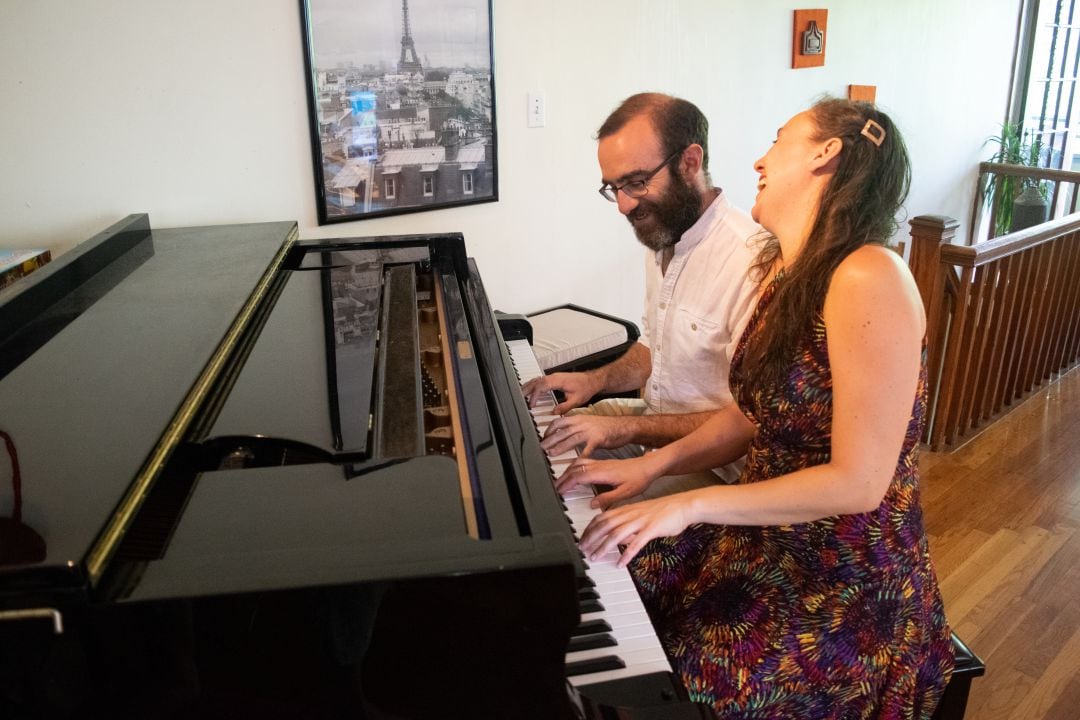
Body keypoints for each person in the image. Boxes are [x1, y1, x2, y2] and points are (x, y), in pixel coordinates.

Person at [559, 98, 955, 716]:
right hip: (765, 539)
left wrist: (686, 504)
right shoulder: (785, 271)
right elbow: (751, 416)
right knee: (611, 574)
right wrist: (650, 470)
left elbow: (860, 482)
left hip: (840, 577)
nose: (758, 159)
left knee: (697, 683)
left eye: (778, 141)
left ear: (826, 154)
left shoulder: (870, 275)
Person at [523, 93, 760, 491]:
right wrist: (595, 381)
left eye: (636, 182)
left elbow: (751, 422)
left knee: (588, 520)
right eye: (613, 187)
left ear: (690, 163)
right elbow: (656, 350)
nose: (622, 205)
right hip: (655, 427)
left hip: (714, 470)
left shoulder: (750, 262)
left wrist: (627, 429)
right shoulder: (665, 233)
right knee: (539, 447)